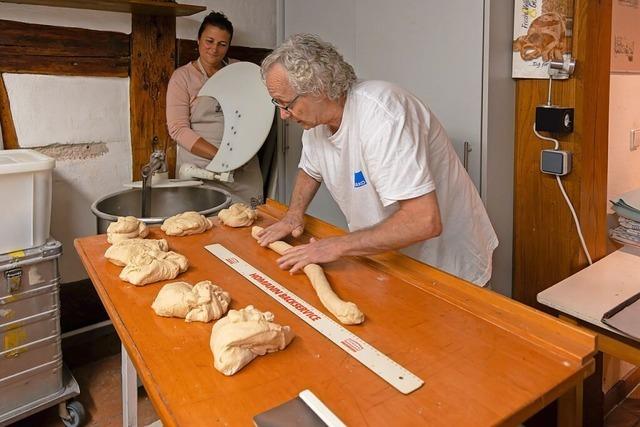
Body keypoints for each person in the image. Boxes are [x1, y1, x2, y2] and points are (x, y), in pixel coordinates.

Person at [257, 33, 498, 286]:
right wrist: (293, 214)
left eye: (287, 104)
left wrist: (337, 245)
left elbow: (424, 221)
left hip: (446, 265)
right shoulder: (315, 123)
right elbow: (310, 169)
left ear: (320, 89)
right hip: (391, 260)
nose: (283, 115)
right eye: (278, 104)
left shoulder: (382, 114)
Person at [166, 11, 263, 205]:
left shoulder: (240, 72)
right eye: (209, 41)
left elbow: (259, 109)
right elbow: (178, 129)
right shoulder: (182, 77)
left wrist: (239, 156)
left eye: (222, 44)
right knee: (205, 227)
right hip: (202, 170)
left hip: (244, 168)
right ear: (198, 40)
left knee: (249, 223)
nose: (214, 49)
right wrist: (222, 157)